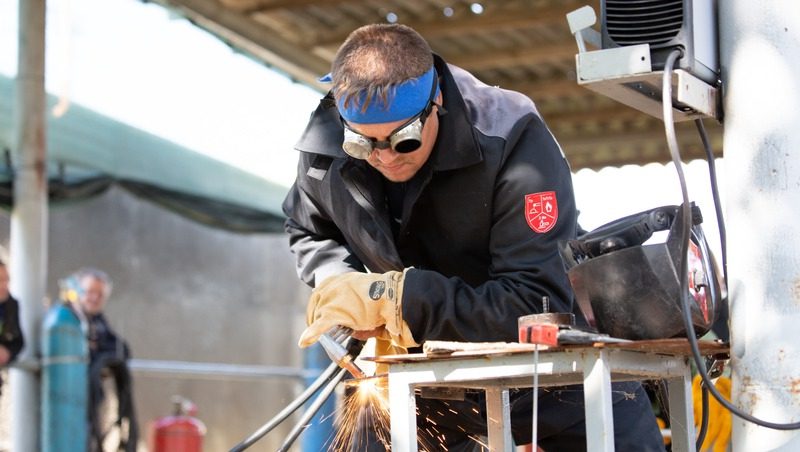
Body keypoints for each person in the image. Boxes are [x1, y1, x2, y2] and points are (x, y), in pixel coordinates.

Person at [282, 23, 664, 451]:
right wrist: (344, 288)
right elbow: (307, 226)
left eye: (403, 140)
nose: (383, 157)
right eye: (363, 143)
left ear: (436, 103)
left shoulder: (512, 136)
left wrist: (400, 301)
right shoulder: (326, 144)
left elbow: (534, 300)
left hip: (557, 366)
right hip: (420, 371)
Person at [73, 268, 138, 452]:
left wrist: (102, 360)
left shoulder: (98, 320)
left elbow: (121, 349)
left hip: (91, 401)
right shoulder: (68, 319)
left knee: (92, 442)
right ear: (78, 291)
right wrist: (96, 357)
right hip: (68, 400)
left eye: (100, 294)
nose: (94, 298)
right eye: (90, 292)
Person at [0, 260, 24, 396]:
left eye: (6, 280)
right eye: (0, 280)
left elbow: (18, 341)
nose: (5, 286)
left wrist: (7, 353)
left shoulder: (11, 305)